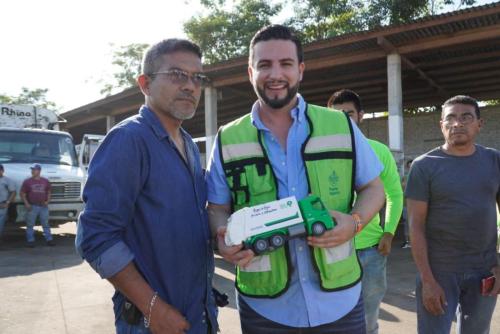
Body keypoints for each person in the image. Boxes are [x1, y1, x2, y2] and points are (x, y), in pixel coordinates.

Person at [206, 25, 385, 333]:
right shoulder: (227, 138)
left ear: (300, 70)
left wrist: (355, 222)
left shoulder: (340, 125)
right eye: (264, 65)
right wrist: (224, 240)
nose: (275, 74)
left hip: (340, 299)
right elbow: (217, 207)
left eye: (286, 64)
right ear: (250, 72)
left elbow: (374, 189)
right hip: (264, 306)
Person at [75, 39, 218, 334]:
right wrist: (153, 308)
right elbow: (96, 237)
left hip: (197, 313)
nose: (191, 86)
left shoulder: (189, 145)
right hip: (152, 322)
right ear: (145, 84)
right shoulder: (129, 141)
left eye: (197, 78)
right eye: (178, 74)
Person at [406, 95, 500, 334]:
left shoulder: (494, 160)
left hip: (484, 270)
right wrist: (427, 280)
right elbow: (415, 225)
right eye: (451, 118)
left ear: (479, 124)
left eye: (466, 117)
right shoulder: (424, 166)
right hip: (439, 272)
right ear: (441, 125)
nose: (457, 123)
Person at [327, 89, 403, 334]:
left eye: (349, 114)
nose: (344, 120)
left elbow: (394, 194)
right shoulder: (319, 154)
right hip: (331, 251)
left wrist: (389, 232)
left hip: (371, 253)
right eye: (336, 115)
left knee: (368, 321)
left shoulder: (378, 151)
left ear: (361, 115)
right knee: (331, 319)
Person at [20, 163, 54, 247]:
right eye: (32, 170)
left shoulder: (45, 181)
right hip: (32, 206)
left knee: (45, 223)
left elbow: (49, 192)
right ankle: (30, 241)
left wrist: (47, 201)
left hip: (43, 206)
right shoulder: (27, 181)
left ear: (39, 171)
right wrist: (26, 203)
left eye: (34, 169)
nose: (32, 171)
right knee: (30, 224)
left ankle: (49, 240)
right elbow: (22, 193)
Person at [0, 164, 16, 240]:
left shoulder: (7, 180)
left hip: (2, 205)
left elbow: (13, 192)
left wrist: (7, 202)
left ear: (2, 171)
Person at [400, 159, 413, 249]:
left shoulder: (419, 176)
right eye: (409, 166)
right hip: (405, 204)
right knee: (406, 223)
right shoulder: (404, 177)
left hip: (416, 204)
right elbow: (401, 189)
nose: (411, 167)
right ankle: (407, 241)